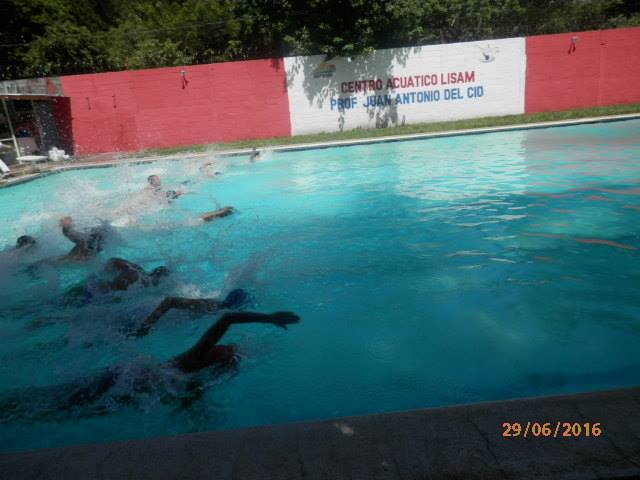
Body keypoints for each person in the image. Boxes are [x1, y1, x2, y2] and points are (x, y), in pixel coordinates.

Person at [0, 311, 300, 420]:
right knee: (47, 408)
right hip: (123, 391)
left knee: (45, 403)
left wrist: (270, 317)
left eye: (225, 349)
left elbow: (227, 319)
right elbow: (190, 409)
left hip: (118, 383)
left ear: (216, 357)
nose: (224, 345)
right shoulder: (194, 374)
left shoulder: (197, 361)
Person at [132, 288, 252, 338]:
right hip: (138, 317)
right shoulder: (211, 306)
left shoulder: (219, 310)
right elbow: (170, 301)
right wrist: (146, 326)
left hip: (149, 317)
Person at [65, 257, 170, 302]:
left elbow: (113, 260)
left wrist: (101, 274)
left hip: (93, 286)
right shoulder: (144, 284)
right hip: (96, 295)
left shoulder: (136, 268)